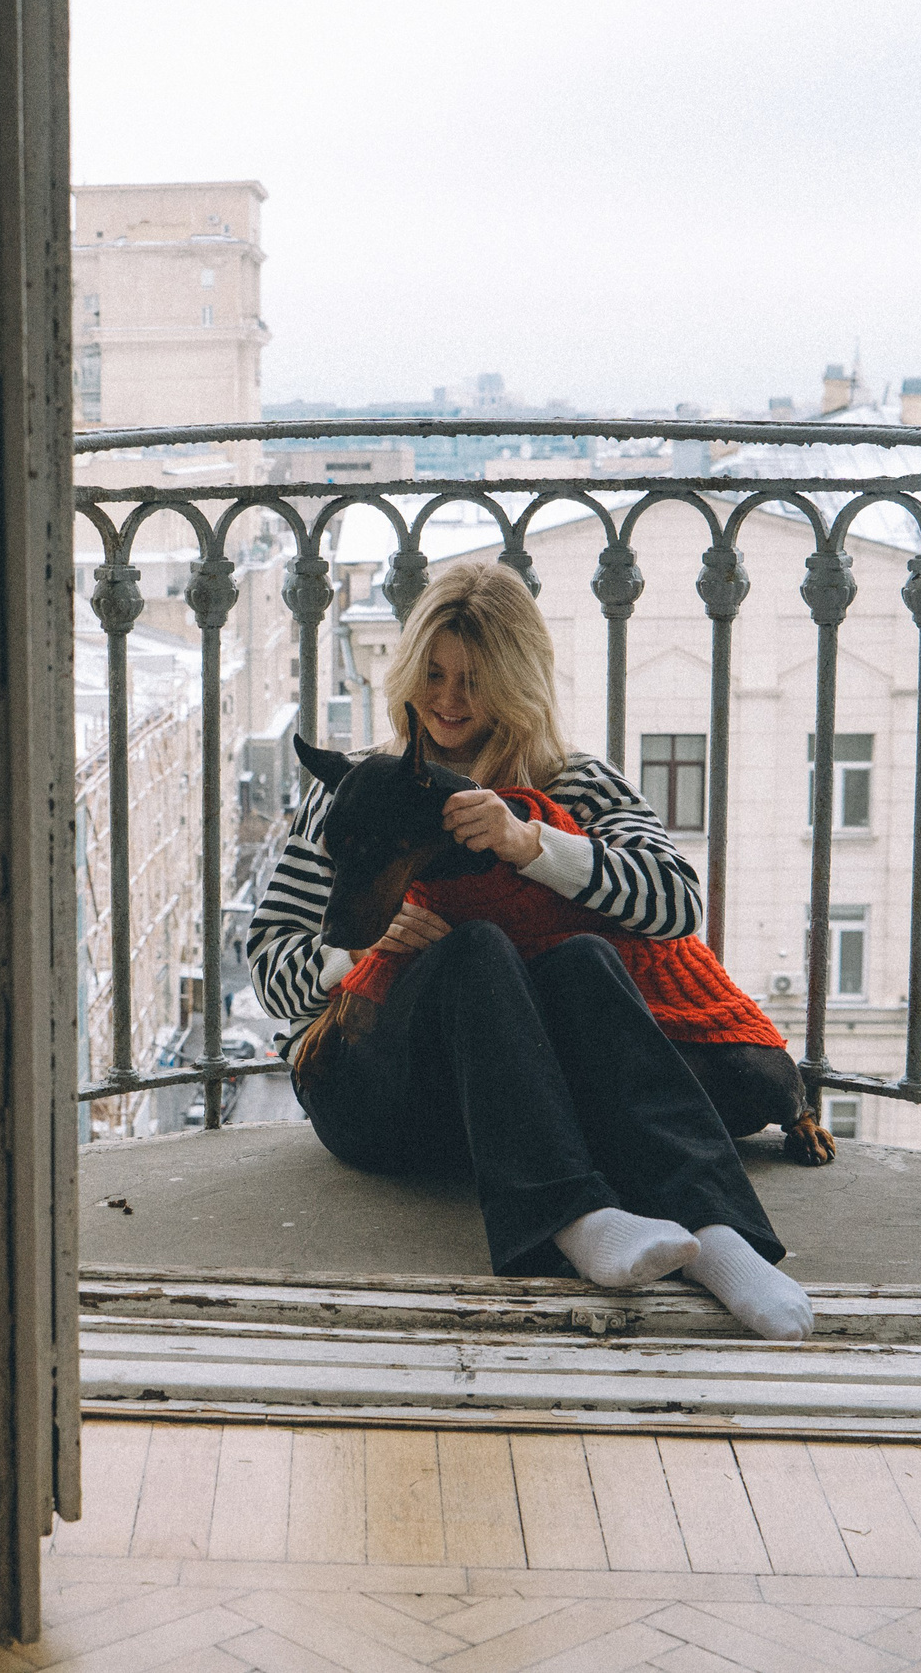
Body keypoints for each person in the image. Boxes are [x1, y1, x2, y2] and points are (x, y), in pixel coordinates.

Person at [245, 562, 815, 1341]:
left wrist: (533, 843)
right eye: (434, 673)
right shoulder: (356, 788)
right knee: (475, 945)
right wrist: (360, 947)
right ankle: (576, 1219)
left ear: (518, 681)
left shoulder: (572, 783)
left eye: (475, 679)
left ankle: (720, 1236)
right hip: (378, 1095)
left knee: (582, 959)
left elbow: (678, 903)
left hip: (525, 1108)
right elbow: (270, 969)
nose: (447, 699)